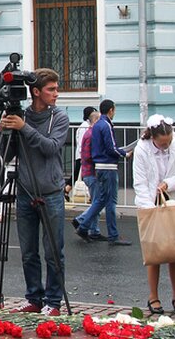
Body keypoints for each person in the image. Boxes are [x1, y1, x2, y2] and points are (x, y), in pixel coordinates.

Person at [0, 68, 70, 316]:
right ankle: (34, 298)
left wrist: (24, 128)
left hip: (50, 192)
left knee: (53, 252)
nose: (56, 94)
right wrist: (5, 132)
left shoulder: (59, 117)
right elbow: (7, 156)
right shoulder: (21, 115)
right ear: (36, 92)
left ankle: (54, 301)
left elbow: (50, 148)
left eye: (56, 88)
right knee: (28, 252)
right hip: (25, 191)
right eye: (51, 89)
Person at [132, 114, 175, 316]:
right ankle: (153, 296)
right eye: (162, 144)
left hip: (172, 200)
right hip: (149, 203)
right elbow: (139, 182)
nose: (166, 146)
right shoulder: (141, 149)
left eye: (169, 142)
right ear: (153, 138)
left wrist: (168, 183)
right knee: (154, 252)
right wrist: (150, 210)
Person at [76, 99, 132, 246]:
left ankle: (83, 226)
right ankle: (112, 235)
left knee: (101, 200)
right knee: (110, 201)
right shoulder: (106, 125)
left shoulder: (96, 126)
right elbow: (111, 147)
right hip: (108, 167)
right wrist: (124, 154)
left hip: (99, 167)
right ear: (111, 110)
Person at [72, 110, 104, 241]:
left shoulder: (89, 133)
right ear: (95, 121)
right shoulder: (92, 135)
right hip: (92, 172)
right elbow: (89, 155)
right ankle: (81, 220)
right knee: (98, 202)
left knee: (97, 201)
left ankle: (94, 230)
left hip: (89, 172)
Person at [68, 107, 97, 200]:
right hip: (82, 155)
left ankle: (67, 189)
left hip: (83, 155)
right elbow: (82, 142)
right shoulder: (84, 126)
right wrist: (83, 155)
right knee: (81, 175)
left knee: (79, 175)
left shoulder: (87, 125)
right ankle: (66, 189)